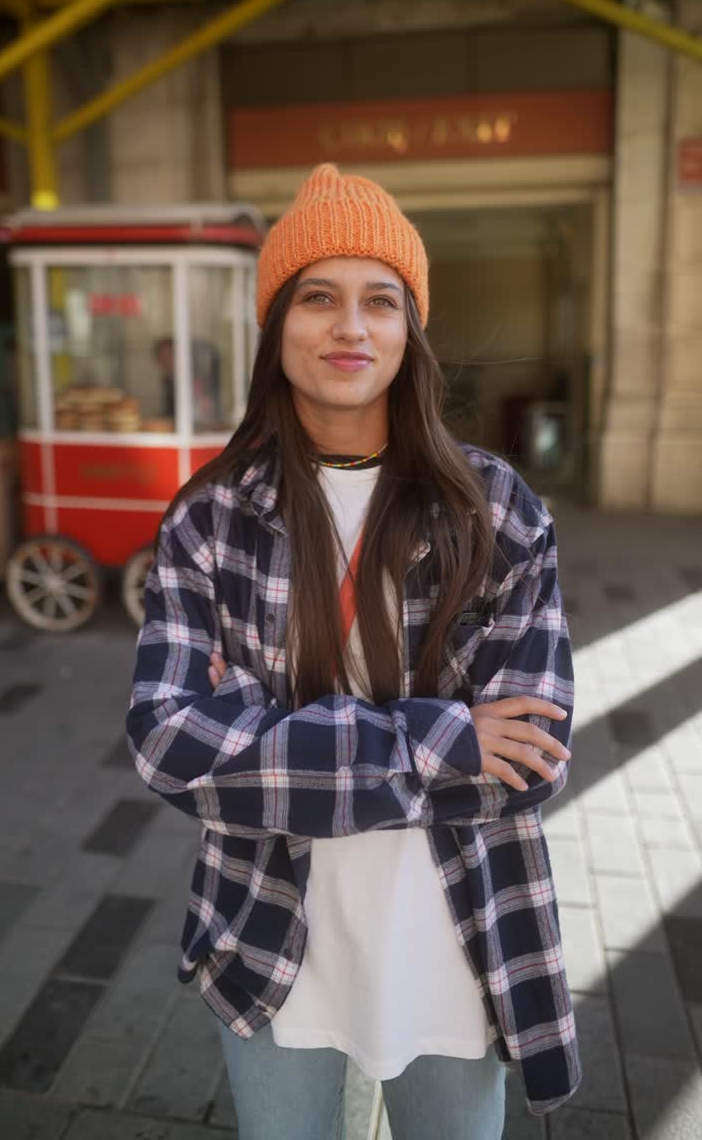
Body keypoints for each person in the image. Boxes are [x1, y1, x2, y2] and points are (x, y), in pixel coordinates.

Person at [127, 163, 580, 1139]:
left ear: (410, 327)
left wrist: (264, 730)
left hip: (455, 937)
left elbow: (533, 762)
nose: (350, 326)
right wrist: (440, 738)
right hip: (269, 932)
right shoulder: (210, 519)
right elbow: (168, 744)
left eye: (381, 298)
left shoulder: (496, 509)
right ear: (275, 323)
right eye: (317, 296)